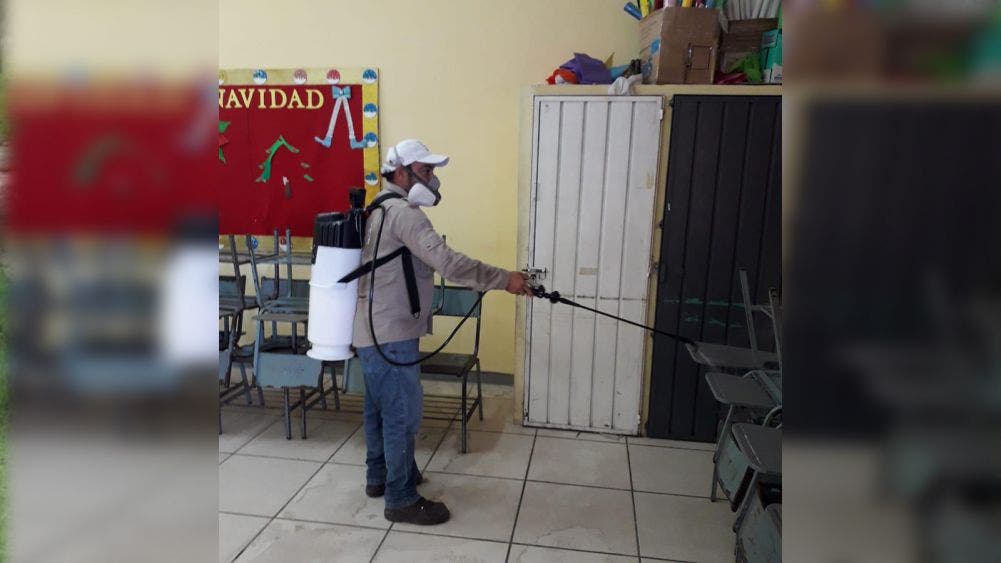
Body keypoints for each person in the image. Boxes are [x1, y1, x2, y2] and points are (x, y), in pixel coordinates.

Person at [352, 139, 532, 525]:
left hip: (370, 329)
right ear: (401, 172)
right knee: (401, 413)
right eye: (426, 171)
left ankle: (379, 476)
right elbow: (449, 264)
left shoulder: (378, 207)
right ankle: (401, 498)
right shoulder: (406, 214)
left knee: (379, 408)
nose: (432, 180)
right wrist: (505, 279)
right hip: (391, 333)